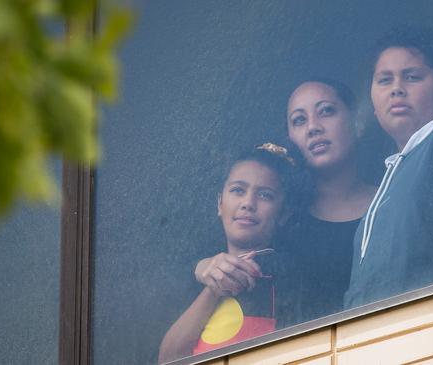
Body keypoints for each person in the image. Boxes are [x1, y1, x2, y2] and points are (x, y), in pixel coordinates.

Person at [158, 143, 298, 363]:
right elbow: (169, 358)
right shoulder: (192, 282)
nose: (248, 203)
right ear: (220, 203)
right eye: (237, 190)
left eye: (264, 195)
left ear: (284, 214)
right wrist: (213, 289)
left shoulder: (295, 280)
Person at [344, 26, 433, 308]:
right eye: (384, 80)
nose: (397, 89)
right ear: (374, 105)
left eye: (412, 77)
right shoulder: (395, 171)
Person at [282, 79, 378, 322]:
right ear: (290, 139)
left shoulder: (392, 201)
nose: (313, 127)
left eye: (326, 111)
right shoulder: (283, 223)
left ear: (357, 123)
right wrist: (200, 268)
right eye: (299, 120)